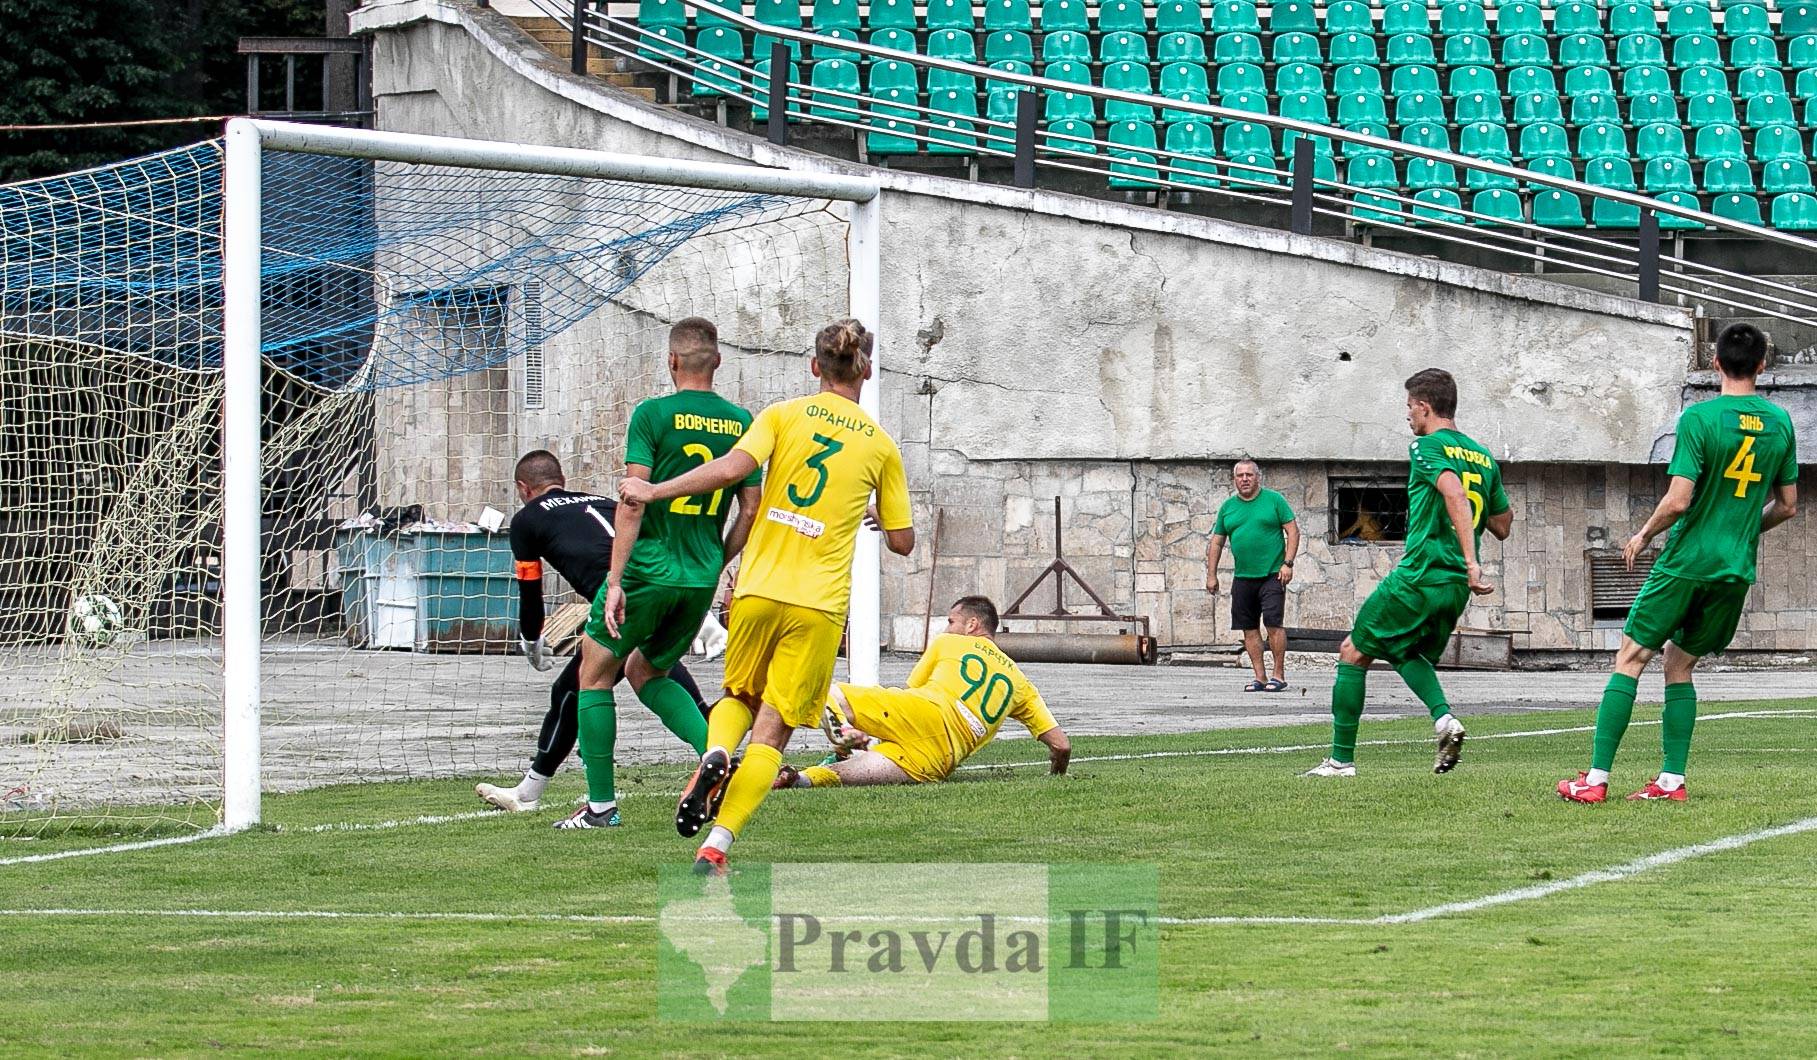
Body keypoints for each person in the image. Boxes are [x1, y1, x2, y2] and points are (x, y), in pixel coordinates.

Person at [619, 318, 915, 875]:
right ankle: (717, 845)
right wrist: (874, 513)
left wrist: (655, 489)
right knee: (773, 731)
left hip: (757, 587)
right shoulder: (880, 446)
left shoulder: (781, 415)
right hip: (818, 603)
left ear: (813, 368)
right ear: (868, 370)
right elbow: (902, 543)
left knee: (737, 696)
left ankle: (714, 752)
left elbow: (732, 468)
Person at [1558, 323, 1799, 804]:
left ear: (1715, 364)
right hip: (1733, 570)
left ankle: (1595, 780)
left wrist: (1644, 533)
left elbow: (1679, 500)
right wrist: (1742, 530)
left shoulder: (1699, 419)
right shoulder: (1780, 423)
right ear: (1762, 366)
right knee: (1679, 663)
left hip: (1686, 561)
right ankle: (1671, 781)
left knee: (1630, 657)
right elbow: (1788, 505)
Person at [553, 318, 762, 830]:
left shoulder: (652, 414)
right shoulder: (742, 421)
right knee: (647, 671)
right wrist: (719, 558)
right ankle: (715, 756)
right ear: (717, 362)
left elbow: (632, 501)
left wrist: (616, 580)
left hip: (650, 566)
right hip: (699, 575)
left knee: (595, 673)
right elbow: (752, 509)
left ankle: (600, 807)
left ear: (672, 362)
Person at [1303, 369, 1513, 779]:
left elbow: (1452, 492)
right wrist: (1471, 535)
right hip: (1452, 589)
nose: (1407, 415)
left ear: (1424, 406)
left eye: (1409, 407)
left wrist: (1473, 562)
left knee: (1353, 650)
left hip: (1421, 574)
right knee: (1401, 650)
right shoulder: (1483, 456)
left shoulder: (1425, 447)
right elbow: (1503, 524)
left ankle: (1340, 761)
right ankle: (1444, 721)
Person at [475, 449, 710, 814]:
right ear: (563, 483)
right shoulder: (600, 501)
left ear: (524, 488)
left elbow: (530, 588)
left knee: (573, 689)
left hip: (621, 595)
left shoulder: (526, 520)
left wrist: (531, 637)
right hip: (665, 582)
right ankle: (719, 751)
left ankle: (536, 795)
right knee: (650, 669)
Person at [774, 595, 1070, 788]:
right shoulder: (1021, 683)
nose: (948, 627)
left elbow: (913, 689)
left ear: (972, 624)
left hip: (924, 713)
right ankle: (799, 780)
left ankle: (840, 736)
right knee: (854, 772)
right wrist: (1056, 775)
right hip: (939, 759)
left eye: (951, 621)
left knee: (828, 692)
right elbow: (1061, 746)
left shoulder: (949, 642)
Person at [1205, 459, 1300, 691]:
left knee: (1273, 623)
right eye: (1240, 476)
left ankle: (1278, 675)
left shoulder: (1274, 500)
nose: (1245, 479)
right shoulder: (1228, 507)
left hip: (1272, 574)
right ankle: (1260, 677)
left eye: (1249, 475)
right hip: (1243, 577)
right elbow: (1217, 542)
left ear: (1258, 477)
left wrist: (1288, 563)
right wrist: (1212, 575)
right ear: (1234, 480)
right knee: (1248, 627)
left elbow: (1293, 531)